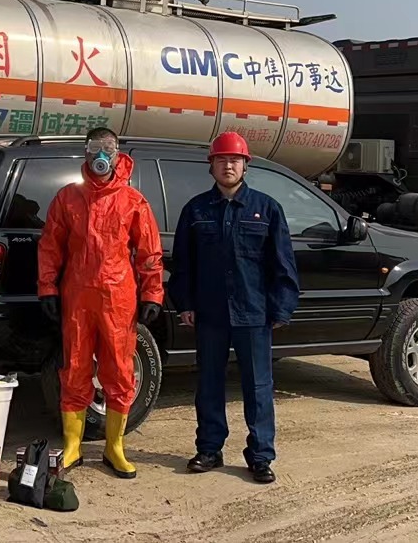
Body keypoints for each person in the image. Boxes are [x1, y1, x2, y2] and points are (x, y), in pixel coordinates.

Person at [167, 131, 300, 484]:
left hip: (253, 313)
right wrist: (185, 303)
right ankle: (209, 449)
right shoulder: (196, 210)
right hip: (210, 313)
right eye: (222, 160)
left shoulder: (267, 209)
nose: (228, 166)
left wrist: (281, 308)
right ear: (211, 166)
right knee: (209, 383)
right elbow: (183, 263)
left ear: (245, 166)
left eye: (235, 160)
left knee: (258, 387)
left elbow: (283, 264)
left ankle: (260, 456)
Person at [37, 127, 164, 478]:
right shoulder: (68, 198)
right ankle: (73, 445)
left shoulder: (133, 201)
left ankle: (114, 446)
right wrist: (47, 288)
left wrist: (152, 293)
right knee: (75, 367)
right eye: (95, 148)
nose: (101, 155)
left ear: (117, 153)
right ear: (86, 153)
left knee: (119, 370)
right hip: (77, 295)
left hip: (118, 298)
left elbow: (149, 252)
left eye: (107, 148)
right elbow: (50, 247)